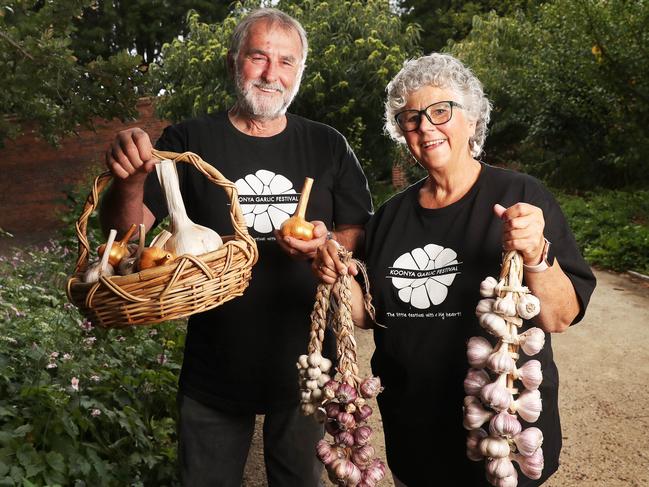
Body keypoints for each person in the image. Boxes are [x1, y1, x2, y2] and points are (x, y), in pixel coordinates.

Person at [100, 8, 372, 486]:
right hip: (215, 371)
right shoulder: (189, 140)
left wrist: (328, 246)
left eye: (286, 62)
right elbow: (129, 237)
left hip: (308, 366)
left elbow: (356, 229)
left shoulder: (328, 145)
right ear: (233, 63)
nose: (271, 74)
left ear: (300, 73)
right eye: (259, 57)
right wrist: (131, 181)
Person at [313, 53, 596, 486]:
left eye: (440, 110)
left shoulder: (520, 194)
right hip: (415, 430)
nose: (426, 126)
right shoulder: (389, 217)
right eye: (411, 118)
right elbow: (369, 314)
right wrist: (334, 274)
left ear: (472, 119)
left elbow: (560, 316)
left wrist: (537, 252)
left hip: (500, 436)